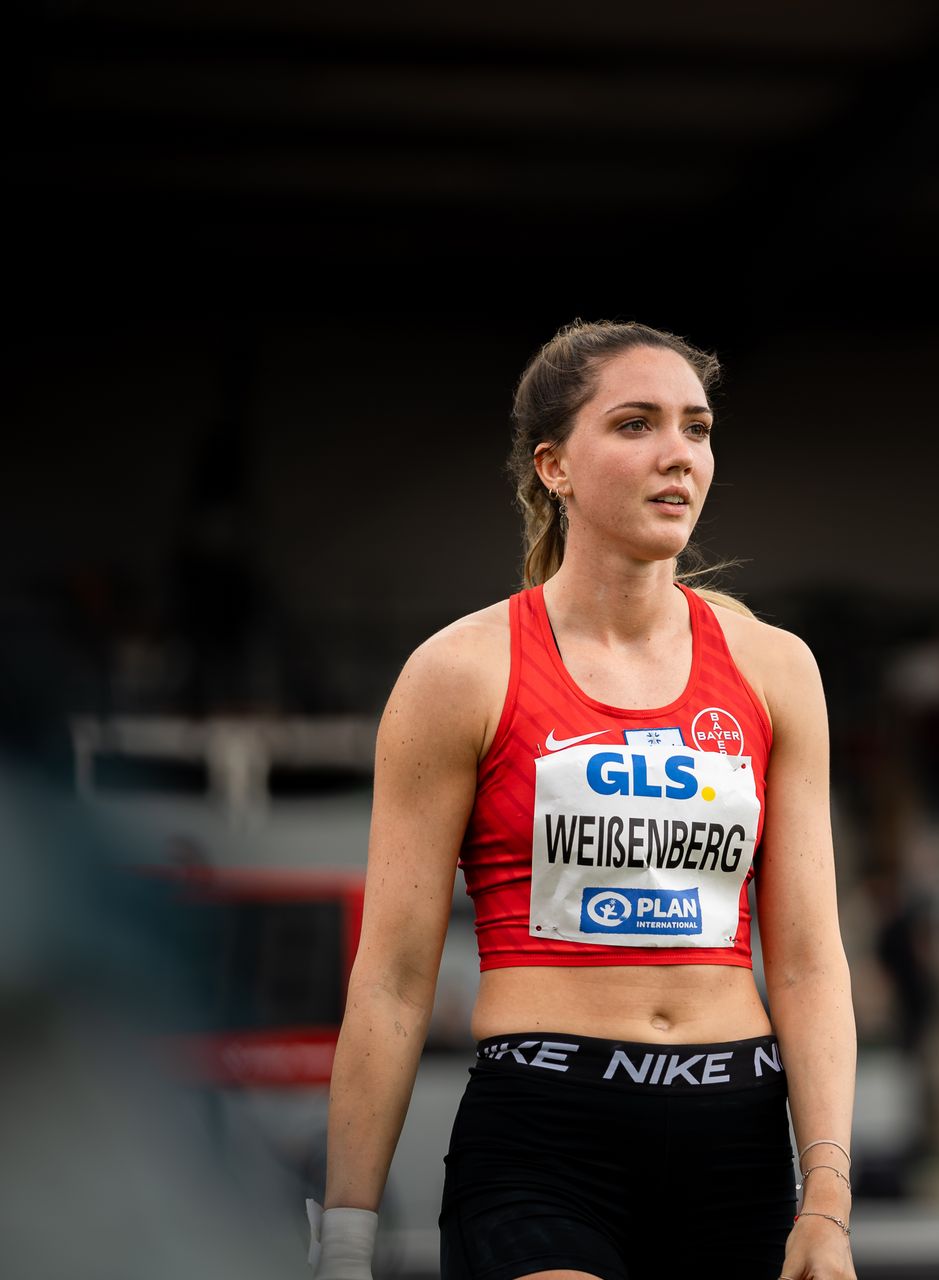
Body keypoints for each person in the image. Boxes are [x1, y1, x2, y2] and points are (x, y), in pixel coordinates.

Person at [306, 320, 858, 1280]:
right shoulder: (460, 671)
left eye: (698, 427)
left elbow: (809, 963)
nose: (677, 455)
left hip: (737, 1136)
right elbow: (393, 978)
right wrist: (346, 1239)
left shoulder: (776, 669)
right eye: (637, 425)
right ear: (555, 467)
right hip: (544, 1137)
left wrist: (829, 1204)